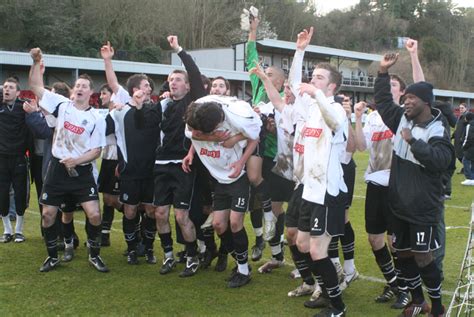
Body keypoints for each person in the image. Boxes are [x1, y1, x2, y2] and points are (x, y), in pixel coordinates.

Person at [375, 52, 455, 317]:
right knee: (403, 253)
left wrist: (413, 142)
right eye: (405, 97)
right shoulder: (401, 119)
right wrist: (382, 73)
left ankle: (438, 308)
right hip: (398, 203)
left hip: (422, 207)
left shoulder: (437, 127)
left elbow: (441, 160)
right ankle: (418, 300)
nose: (405, 101)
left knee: (424, 257)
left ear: (426, 102)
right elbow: (385, 102)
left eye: (411, 99)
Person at [29, 47, 109, 273]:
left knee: (94, 214)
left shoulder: (95, 118)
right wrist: (36, 62)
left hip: (81, 172)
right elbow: (35, 86)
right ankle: (52, 257)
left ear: (91, 92)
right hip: (57, 169)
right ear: (73, 91)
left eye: (84, 86)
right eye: (77, 86)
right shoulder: (62, 105)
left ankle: (94, 255)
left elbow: (96, 151)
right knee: (47, 214)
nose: (80, 88)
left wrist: (76, 160)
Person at [183, 94, 261, 287]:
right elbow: (192, 135)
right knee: (218, 225)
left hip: (237, 177)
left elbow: (255, 135)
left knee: (235, 223)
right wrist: (192, 151)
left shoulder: (238, 116)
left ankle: (243, 271)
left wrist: (238, 151)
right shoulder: (195, 112)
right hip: (218, 180)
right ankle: (241, 263)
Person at [151, 35, 206, 277]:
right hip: (161, 164)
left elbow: (193, 72)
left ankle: (192, 257)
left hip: (184, 165)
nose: (174, 83)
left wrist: (179, 50)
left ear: (188, 85)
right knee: (160, 213)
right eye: (171, 80)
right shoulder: (162, 105)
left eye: (178, 80)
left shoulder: (193, 102)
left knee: (182, 215)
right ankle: (168, 256)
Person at [101, 41, 160, 265]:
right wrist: (108, 60)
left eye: (150, 87)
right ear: (134, 89)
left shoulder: (156, 108)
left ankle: (149, 247)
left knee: (152, 210)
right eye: (145, 85)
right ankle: (132, 249)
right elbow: (113, 83)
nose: (149, 89)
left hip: (152, 169)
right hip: (130, 169)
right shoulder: (125, 103)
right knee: (130, 210)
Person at [246, 13, 285, 260]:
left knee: (277, 205)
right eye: (264, 73)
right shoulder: (259, 88)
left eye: (269, 74)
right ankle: (259, 239)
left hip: (276, 156)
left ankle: (277, 251)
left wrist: (273, 127)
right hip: (255, 150)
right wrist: (253, 30)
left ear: (280, 82)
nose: (264, 75)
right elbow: (252, 58)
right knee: (254, 198)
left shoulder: (285, 99)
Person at [0, 77, 30, 243]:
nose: (7, 90)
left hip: (19, 157)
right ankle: (7, 230)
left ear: (18, 92)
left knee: (20, 194)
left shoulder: (23, 107)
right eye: (5, 87)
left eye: (11, 87)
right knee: (2, 195)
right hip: (1, 158)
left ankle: (18, 230)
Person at [96, 84, 122, 246]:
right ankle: (104, 236)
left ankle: (139, 218)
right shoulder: (109, 113)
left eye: (104, 93)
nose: (101, 96)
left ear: (113, 95)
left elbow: (104, 131)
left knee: (113, 199)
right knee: (106, 199)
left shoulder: (117, 113)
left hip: (117, 160)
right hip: (107, 159)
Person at [461, 112, 474, 186]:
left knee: (465, 160)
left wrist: (464, 146)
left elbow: (468, 138)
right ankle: (473, 178)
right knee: (473, 162)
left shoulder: (469, 125)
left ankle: (469, 178)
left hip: (470, 147)